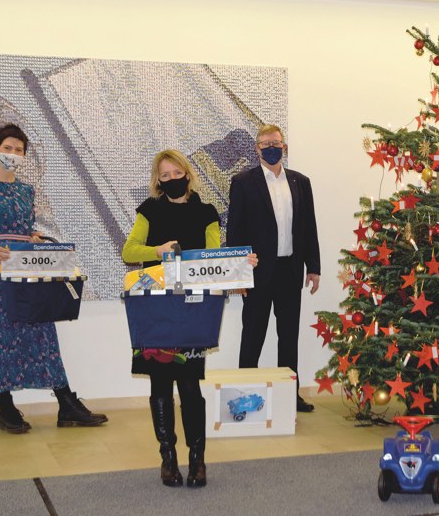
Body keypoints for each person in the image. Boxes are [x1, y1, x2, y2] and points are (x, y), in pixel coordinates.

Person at [123, 149, 257, 487]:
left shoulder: (207, 213)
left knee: (189, 386)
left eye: (176, 172)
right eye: (164, 175)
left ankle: (198, 459)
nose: (172, 179)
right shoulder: (148, 210)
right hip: (155, 309)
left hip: (193, 312)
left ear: (187, 172)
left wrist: (240, 265)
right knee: (159, 386)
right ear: (158, 181)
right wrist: (157, 251)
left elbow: (213, 257)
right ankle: (168, 458)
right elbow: (129, 251)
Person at [0, 124, 107, 434]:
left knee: (42, 334)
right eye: (8, 148)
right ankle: (7, 409)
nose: (13, 154)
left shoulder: (26, 191)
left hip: (25, 270)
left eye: (19, 150)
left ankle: (67, 404)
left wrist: (33, 238)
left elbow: (22, 229)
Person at [227, 124, 321, 413]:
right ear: (256, 148)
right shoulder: (243, 182)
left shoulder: (300, 182)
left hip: (290, 271)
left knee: (289, 337)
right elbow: (235, 230)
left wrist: (313, 267)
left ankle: (290, 396)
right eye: (265, 143)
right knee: (252, 335)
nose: (271, 148)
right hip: (256, 273)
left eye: (276, 143)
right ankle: (243, 393)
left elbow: (309, 227)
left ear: (284, 147)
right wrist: (238, 274)